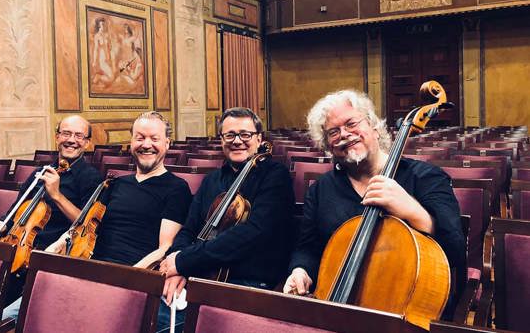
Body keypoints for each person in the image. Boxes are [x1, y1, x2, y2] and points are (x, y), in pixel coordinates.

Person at [283, 90, 465, 315]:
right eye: (333, 131)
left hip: (403, 311)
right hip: (337, 303)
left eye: (351, 123)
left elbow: (456, 250)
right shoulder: (321, 190)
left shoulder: (426, 177)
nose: (345, 134)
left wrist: (412, 211)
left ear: (375, 127)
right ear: (328, 145)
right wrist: (300, 270)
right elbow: (308, 247)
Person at [2, 111, 192, 319]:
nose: (146, 144)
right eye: (140, 138)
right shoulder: (115, 183)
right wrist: (51, 251)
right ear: (131, 142)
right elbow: (82, 227)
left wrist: (126, 277)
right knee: (12, 315)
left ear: (167, 143)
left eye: (154, 138)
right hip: (89, 267)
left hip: (129, 277)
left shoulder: (176, 188)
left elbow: (164, 248)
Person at [157, 107, 295, 333]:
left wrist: (186, 261)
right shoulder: (212, 180)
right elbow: (189, 228)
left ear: (259, 138)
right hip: (200, 273)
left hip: (248, 281)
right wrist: (177, 262)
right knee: (151, 314)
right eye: (229, 135)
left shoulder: (275, 176)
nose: (237, 141)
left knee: (174, 326)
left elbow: (253, 233)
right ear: (221, 139)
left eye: (245, 134)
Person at [0, 115, 102, 249]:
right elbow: (12, 216)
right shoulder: (40, 173)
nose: (71, 140)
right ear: (57, 137)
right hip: (20, 245)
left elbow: (87, 226)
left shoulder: (91, 178)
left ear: (87, 143)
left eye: (79, 136)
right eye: (66, 133)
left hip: (55, 252)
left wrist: (57, 196)